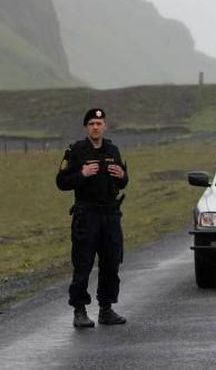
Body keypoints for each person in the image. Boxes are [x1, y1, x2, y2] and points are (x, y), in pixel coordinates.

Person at [56, 108, 129, 328]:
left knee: (112, 262)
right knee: (83, 263)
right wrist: (82, 175)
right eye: (91, 124)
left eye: (99, 123)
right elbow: (61, 182)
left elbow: (122, 181)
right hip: (87, 215)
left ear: (104, 126)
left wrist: (124, 176)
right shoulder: (76, 151)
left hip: (110, 214)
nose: (95, 127)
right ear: (86, 128)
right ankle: (79, 310)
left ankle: (106, 309)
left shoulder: (112, 149)